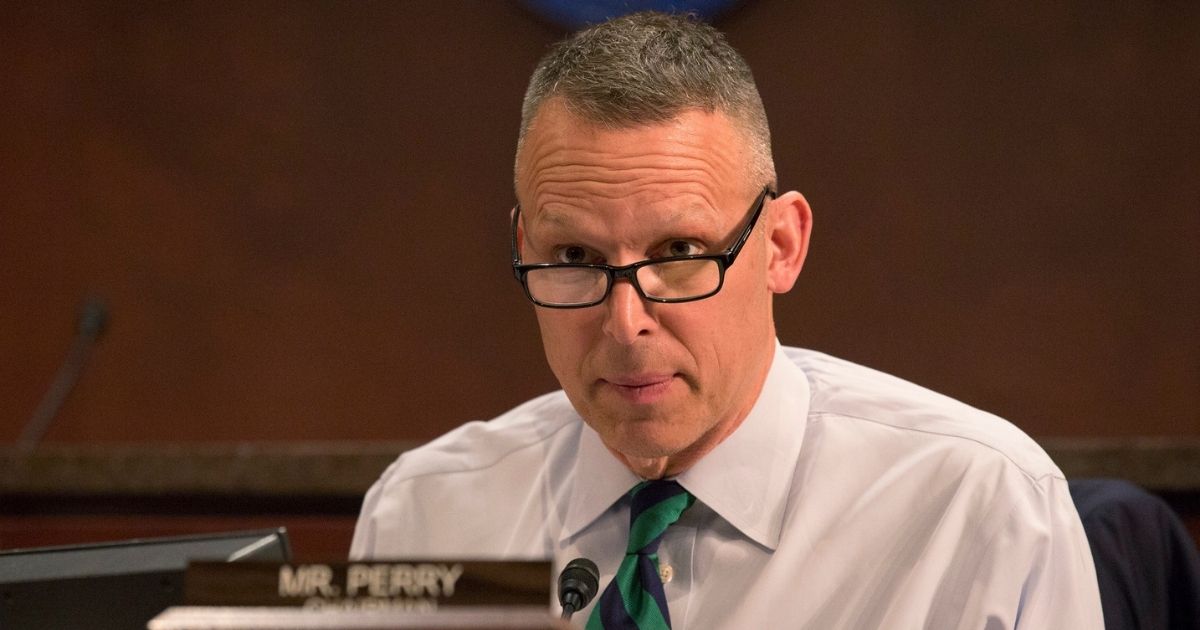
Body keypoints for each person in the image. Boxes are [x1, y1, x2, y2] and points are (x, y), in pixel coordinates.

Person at [352, 11, 1103, 629]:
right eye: (574, 254)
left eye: (679, 251)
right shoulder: (424, 515)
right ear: (524, 248)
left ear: (781, 245)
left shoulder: (977, 507)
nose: (623, 323)